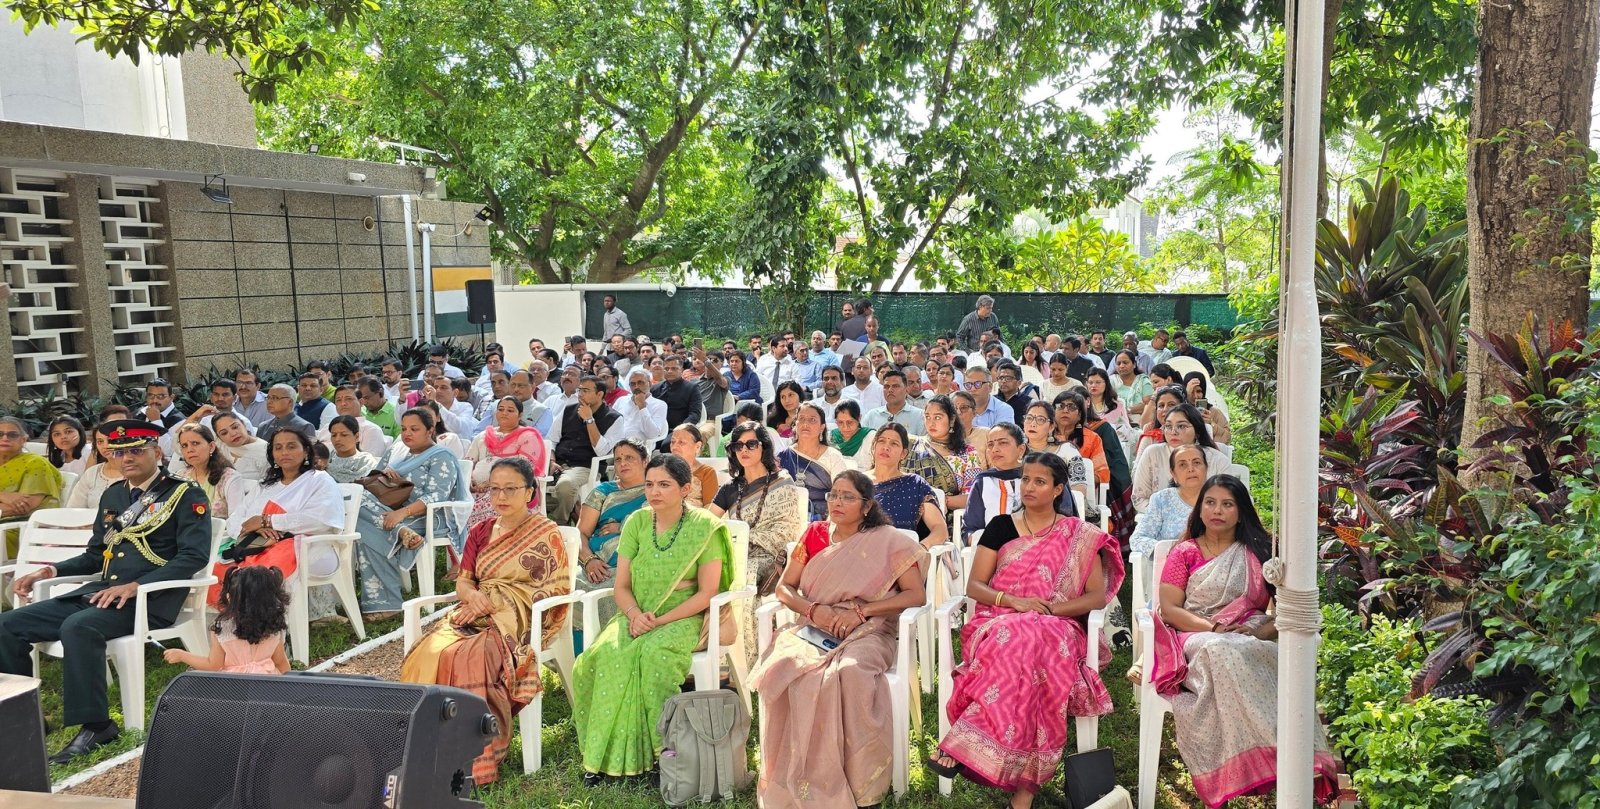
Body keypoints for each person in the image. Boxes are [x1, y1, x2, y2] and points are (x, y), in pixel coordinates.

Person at [0, 420, 210, 763]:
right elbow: (96, 554)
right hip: (103, 592)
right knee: (8, 625)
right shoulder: (114, 495)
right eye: (119, 453)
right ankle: (24, 715)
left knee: (79, 626)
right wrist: (50, 570)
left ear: (157, 453)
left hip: (149, 599)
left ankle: (98, 726)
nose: (127, 458)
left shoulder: (184, 494)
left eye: (136, 450)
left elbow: (193, 556)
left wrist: (136, 585)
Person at [928, 453, 1124, 809]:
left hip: (1059, 624)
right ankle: (1024, 790)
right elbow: (976, 586)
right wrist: (1016, 602)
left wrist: (1051, 610)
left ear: (1058, 489)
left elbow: (1096, 596)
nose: (1029, 487)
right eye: (1026, 480)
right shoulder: (1001, 526)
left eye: (1040, 481)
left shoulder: (1079, 534)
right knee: (1023, 638)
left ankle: (969, 744)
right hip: (1000, 617)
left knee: (1036, 639)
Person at [1151, 475, 1338, 804]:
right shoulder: (1185, 552)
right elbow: (1170, 609)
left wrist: (1255, 632)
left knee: (1280, 650)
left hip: (1250, 630)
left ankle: (1286, 752)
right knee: (1221, 651)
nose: (1217, 510)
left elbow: (1286, 609)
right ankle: (1278, 753)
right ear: (1200, 508)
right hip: (1198, 633)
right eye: (1210, 502)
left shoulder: (1260, 551)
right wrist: (1215, 629)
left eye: (1227, 504)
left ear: (1241, 512)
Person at [751, 470, 928, 809]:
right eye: (833, 494)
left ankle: (859, 780)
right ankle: (799, 775)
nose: (837, 502)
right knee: (786, 667)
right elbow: (784, 588)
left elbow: (915, 595)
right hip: (815, 625)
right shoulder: (814, 534)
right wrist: (814, 610)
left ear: (867, 506)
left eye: (848, 496)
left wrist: (861, 612)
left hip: (870, 629)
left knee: (848, 672)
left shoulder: (887, 540)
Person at [400, 457, 571, 784]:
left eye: (511, 489)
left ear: (529, 492)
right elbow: (464, 581)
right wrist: (473, 596)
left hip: (519, 621)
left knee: (472, 657)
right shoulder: (480, 531)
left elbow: (554, 588)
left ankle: (475, 762)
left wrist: (495, 602)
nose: (501, 496)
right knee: (430, 651)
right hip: (473, 612)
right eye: (494, 489)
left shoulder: (545, 532)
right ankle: (427, 751)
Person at [571, 454, 732, 784]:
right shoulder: (637, 523)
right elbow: (621, 586)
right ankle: (603, 756)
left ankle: (665, 755)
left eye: (664, 485)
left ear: (685, 489)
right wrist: (634, 614)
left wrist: (659, 621)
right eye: (649, 484)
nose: (654, 491)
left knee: (654, 656)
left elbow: (707, 593)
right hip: (636, 613)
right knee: (602, 656)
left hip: (683, 616)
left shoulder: (705, 528)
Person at [353, 408, 469, 618]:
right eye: (404, 428)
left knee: (367, 531)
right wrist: (387, 477)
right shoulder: (397, 452)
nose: (407, 433)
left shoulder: (442, 456)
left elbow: (437, 496)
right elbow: (371, 482)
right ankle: (400, 533)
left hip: (429, 517)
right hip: (391, 514)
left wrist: (402, 513)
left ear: (430, 430)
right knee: (359, 501)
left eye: (414, 429)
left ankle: (386, 603)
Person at [210, 426, 345, 604]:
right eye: (278, 447)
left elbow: (321, 520)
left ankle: (263, 619)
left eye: (291, 446)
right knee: (216, 571)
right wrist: (253, 530)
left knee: (256, 576)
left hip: (306, 548)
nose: (284, 452)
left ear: (306, 451)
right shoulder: (265, 485)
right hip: (254, 546)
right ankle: (236, 618)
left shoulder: (319, 480)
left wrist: (267, 521)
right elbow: (235, 519)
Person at [710, 422, 806, 598]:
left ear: (764, 447)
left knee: (744, 573)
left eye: (751, 444)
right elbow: (708, 524)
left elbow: (787, 531)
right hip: (734, 553)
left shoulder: (782, 482)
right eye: (738, 446)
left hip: (770, 556)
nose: (744, 450)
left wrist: (745, 537)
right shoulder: (729, 488)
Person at [572, 438, 650, 637]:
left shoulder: (655, 492)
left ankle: (613, 644)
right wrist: (589, 560)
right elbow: (580, 533)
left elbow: (658, 527)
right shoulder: (603, 492)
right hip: (596, 560)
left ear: (645, 461)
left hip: (633, 562)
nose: (623, 463)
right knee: (571, 587)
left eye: (629, 458)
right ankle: (578, 650)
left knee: (617, 590)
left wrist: (623, 526)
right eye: (618, 459)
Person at [163, 565, 290, 675]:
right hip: (267, 686)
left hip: (233, 687)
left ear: (231, 598)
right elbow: (281, 664)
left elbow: (213, 665)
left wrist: (182, 655)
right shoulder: (273, 627)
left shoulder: (222, 628)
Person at [546, 375, 624, 524]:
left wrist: (589, 419)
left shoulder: (614, 418)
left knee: (565, 486)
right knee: (528, 480)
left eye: (585, 391)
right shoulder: (568, 410)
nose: (580, 394)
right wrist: (551, 460)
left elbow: (603, 452)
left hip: (585, 466)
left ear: (599, 394)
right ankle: (570, 509)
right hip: (558, 462)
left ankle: (559, 522)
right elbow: (551, 439)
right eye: (579, 390)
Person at [465, 396, 549, 528]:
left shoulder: (527, 436)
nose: (504, 413)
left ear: (520, 415)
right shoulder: (483, 436)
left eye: (510, 410)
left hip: (509, 488)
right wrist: (469, 482)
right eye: (500, 409)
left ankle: (488, 536)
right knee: (458, 505)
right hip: (474, 489)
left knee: (488, 504)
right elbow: (467, 464)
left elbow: (524, 469)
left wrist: (491, 484)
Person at [1133, 404, 1231, 512]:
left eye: (1181, 426)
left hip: (1205, 518)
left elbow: (1227, 501)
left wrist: (1195, 517)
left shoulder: (1217, 460)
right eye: (1168, 426)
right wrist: (1165, 515)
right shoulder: (1152, 453)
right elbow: (1139, 498)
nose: (1173, 432)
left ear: (1197, 431)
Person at [864, 424, 948, 547]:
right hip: (858, 551)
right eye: (881, 441)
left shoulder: (914, 484)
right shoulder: (856, 482)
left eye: (894, 443)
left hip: (901, 552)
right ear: (873, 447)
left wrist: (921, 548)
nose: (886, 447)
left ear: (903, 454)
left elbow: (940, 529)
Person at [1129, 444, 1209, 558]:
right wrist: (1171, 551)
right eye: (1182, 465)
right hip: (1170, 564)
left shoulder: (1219, 498)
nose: (1191, 469)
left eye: (1196, 463)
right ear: (1173, 474)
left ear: (1206, 468)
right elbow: (1138, 539)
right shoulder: (1162, 499)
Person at [903, 396, 982, 512]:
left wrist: (936, 500)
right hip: (905, 512)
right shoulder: (911, 444)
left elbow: (972, 497)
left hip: (947, 517)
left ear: (952, 420)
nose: (931, 423)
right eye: (927, 417)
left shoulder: (967, 453)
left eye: (938, 417)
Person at [777, 403, 849, 521]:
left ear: (822, 427)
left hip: (823, 519)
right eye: (801, 419)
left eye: (812, 420)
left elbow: (841, 493)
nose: (806, 424)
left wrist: (829, 523)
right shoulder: (783, 456)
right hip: (786, 518)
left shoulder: (833, 456)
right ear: (795, 424)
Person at [0, 417, 62, 552]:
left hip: (19, 528)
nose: (5, 438)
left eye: (12, 435)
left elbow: (23, 507)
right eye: (0, 434)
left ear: (23, 439)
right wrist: (3, 495)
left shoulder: (35, 464)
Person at [960, 423, 1029, 541]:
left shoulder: (1036, 478)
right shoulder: (983, 482)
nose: (995, 449)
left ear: (1021, 449)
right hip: (992, 548)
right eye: (990, 445)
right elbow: (969, 530)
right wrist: (988, 542)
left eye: (1003, 443)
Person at [1020, 402, 1092, 511]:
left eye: (1040, 420)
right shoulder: (1016, 451)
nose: (1033, 424)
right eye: (1029, 418)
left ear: (1051, 427)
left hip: (1060, 509)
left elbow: (1079, 488)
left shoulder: (1067, 450)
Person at [169, 424, 242, 520]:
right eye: (184, 446)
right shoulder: (181, 476)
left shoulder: (229, 477)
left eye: (195, 443)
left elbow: (237, 519)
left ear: (211, 447)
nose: (189, 450)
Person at [1052, 392, 1109, 486]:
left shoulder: (1092, 438)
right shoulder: (1044, 434)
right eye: (1060, 406)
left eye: (1071, 407)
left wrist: (1076, 481)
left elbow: (1101, 473)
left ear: (1080, 415)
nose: (1065, 410)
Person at [64, 428, 123, 510]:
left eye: (111, 440)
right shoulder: (91, 473)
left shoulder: (135, 472)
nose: (105, 446)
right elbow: (73, 508)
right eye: (100, 441)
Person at [650, 355, 704, 444]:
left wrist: (681, 428)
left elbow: (695, 414)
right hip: (656, 429)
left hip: (678, 429)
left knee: (667, 445)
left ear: (681, 370)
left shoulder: (691, 388)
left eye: (674, 368)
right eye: (666, 368)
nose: (669, 371)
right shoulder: (655, 388)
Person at [861, 369, 926, 436]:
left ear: (906, 389)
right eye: (886, 386)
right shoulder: (872, 416)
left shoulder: (920, 416)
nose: (890, 390)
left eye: (895, 386)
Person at [669, 424, 719, 508]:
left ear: (697, 446)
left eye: (681, 442)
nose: (674, 447)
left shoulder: (706, 472)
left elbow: (710, 508)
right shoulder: (662, 469)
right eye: (673, 442)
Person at [211, 412, 270, 482]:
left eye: (235, 427)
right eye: (224, 433)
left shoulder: (265, 450)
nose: (233, 434)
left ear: (244, 424)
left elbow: (270, 483)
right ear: (219, 438)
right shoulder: (221, 448)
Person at [1135, 385, 1189, 460]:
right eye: (1161, 406)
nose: (1165, 409)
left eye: (1171, 405)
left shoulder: (1191, 433)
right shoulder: (1150, 437)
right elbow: (1138, 466)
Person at [325, 415, 381, 484]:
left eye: (344, 435)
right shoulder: (326, 459)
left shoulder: (365, 461)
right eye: (334, 435)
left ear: (356, 437)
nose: (337, 439)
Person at [1183, 371, 1233, 444]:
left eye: (1199, 391)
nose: (1195, 396)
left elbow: (1227, 438)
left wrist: (1211, 424)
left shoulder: (1214, 412)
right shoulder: (1180, 411)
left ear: (1204, 392)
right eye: (1192, 391)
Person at [1085, 368, 1132, 436]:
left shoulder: (1118, 404)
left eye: (1098, 382)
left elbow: (1127, 427)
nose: (1093, 385)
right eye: (1090, 382)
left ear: (1106, 383)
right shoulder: (1082, 403)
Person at [1111, 349, 1155, 417]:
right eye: (1118, 363)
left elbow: (1149, 405)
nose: (1121, 366)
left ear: (1134, 364)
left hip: (1140, 421)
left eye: (1125, 363)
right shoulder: (1111, 381)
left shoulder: (1143, 381)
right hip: (1115, 420)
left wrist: (1126, 411)